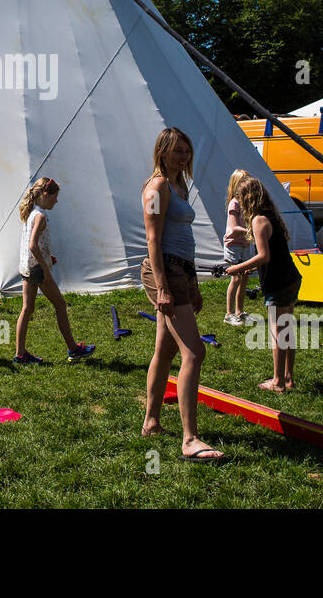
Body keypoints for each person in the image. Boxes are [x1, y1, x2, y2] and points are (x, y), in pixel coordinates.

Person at [140, 127, 224, 464]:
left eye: (186, 151)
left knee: (164, 349)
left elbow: (182, 236)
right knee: (195, 352)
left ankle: (151, 422)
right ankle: (190, 439)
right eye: (177, 151)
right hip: (165, 272)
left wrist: (193, 283)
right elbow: (152, 239)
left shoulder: (180, 185)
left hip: (182, 271)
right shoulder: (157, 187)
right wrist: (162, 287)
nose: (183, 157)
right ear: (162, 151)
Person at [226, 176, 300, 392]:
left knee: (278, 331)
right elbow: (272, 253)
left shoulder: (258, 220)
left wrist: (237, 268)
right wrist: (251, 267)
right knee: (287, 328)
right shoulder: (271, 216)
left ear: (248, 198)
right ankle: (289, 378)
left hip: (278, 281)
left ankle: (277, 382)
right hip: (290, 277)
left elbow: (264, 256)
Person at [13, 177, 95, 365]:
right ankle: (73, 349)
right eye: (55, 197)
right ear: (45, 195)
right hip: (38, 270)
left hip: (26, 267)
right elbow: (33, 245)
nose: (56, 201)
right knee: (60, 305)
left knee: (27, 309)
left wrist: (48, 258)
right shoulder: (40, 216)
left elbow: (32, 246)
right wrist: (45, 268)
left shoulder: (30, 213)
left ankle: (20, 354)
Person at [222, 169, 254, 327]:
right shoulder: (234, 203)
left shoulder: (246, 202)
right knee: (236, 278)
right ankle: (229, 314)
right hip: (233, 244)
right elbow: (234, 228)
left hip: (244, 244)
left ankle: (240, 311)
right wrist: (250, 230)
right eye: (242, 181)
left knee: (245, 277)